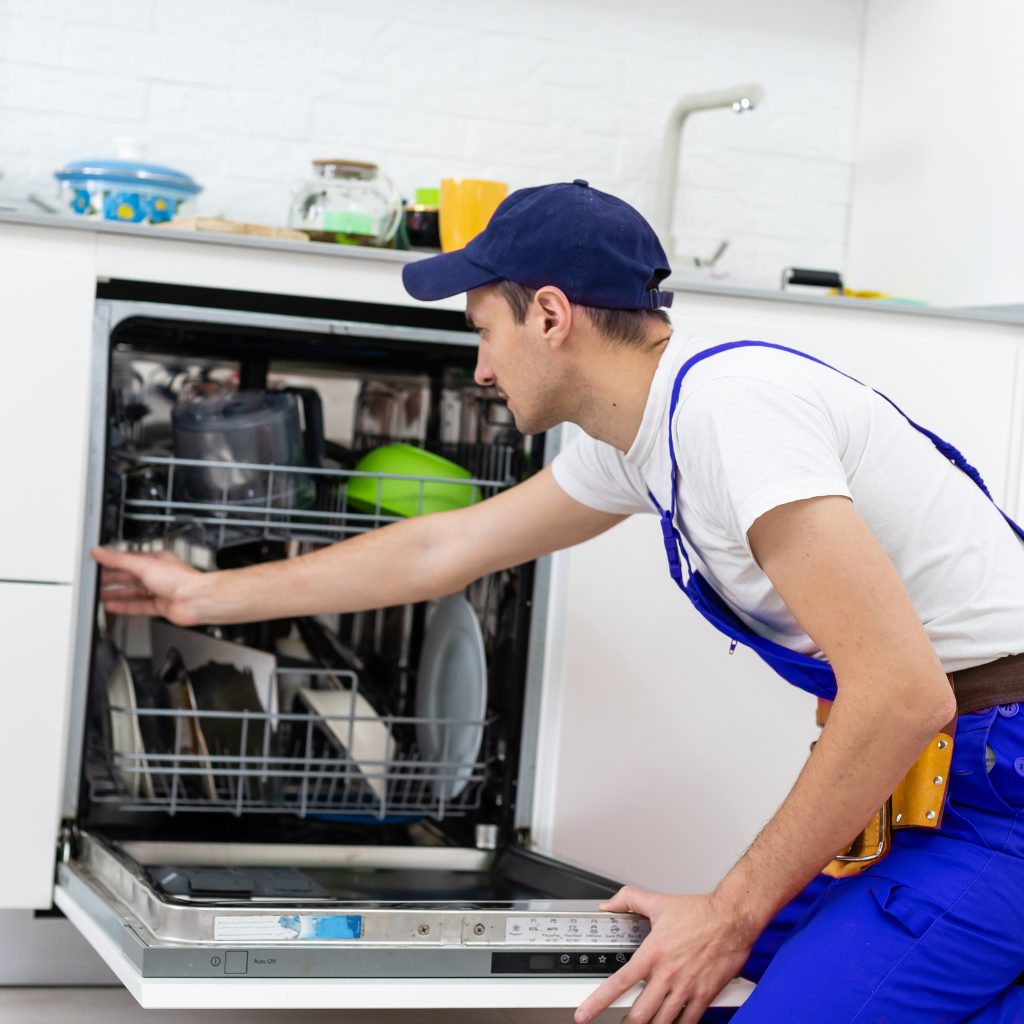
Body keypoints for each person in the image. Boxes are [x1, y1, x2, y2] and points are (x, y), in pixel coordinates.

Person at [93, 180, 1024, 1024]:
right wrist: (202, 592)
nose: (482, 371)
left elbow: (901, 692)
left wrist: (729, 912)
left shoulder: (735, 408)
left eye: (483, 333)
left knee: (738, 972)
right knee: (684, 992)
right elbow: (441, 546)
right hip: (930, 786)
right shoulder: (634, 439)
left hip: (1000, 788)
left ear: (549, 315)